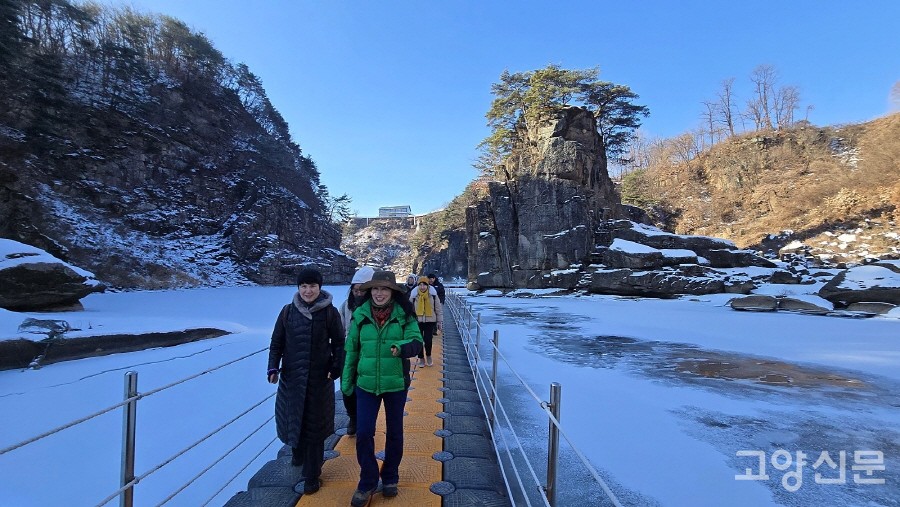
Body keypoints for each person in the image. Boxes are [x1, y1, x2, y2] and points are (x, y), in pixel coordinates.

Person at [341, 270, 423, 506]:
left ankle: (390, 477)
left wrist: (402, 346)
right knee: (364, 432)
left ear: (392, 292)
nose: (379, 293)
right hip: (365, 383)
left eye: (384, 289)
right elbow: (351, 350)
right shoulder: (360, 314)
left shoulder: (404, 314)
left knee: (395, 432)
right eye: (375, 289)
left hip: (395, 383)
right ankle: (367, 481)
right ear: (369, 291)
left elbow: (416, 341)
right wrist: (346, 381)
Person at [267, 267, 344, 495]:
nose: (308, 291)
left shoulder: (330, 312)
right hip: (292, 378)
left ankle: (312, 474)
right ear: (298, 288)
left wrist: (335, 368)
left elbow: (339, 343)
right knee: (291, 417)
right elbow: (277, 342)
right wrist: (272, 367)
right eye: (303, 286)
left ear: (320, 288)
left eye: (312, 286)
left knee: (315, 426)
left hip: (319, 378)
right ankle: (297, 451)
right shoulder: (287, 312)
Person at [337, 265, 376, 436]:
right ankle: (353, 417)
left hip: (369, 353)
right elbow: (338, 329)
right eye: (355, 290)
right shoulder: (346, 306)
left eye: (362, 290)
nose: (358, 294)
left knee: (367, 390)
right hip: (349, 352)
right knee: (347, 387)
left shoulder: (377, 307)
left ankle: (365, 422)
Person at [408, 276, 443, 366]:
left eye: (424, 285)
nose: (422, 287)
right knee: (419, 340)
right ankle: (421, 358)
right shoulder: (414, 295)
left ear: (428, 285)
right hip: (417, 321)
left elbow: (438, 309)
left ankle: (428, 355)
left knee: (428, 340)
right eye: (420, 285)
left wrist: (439, 321)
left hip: (430, 320)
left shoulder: (433, 295)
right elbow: (409, 309)